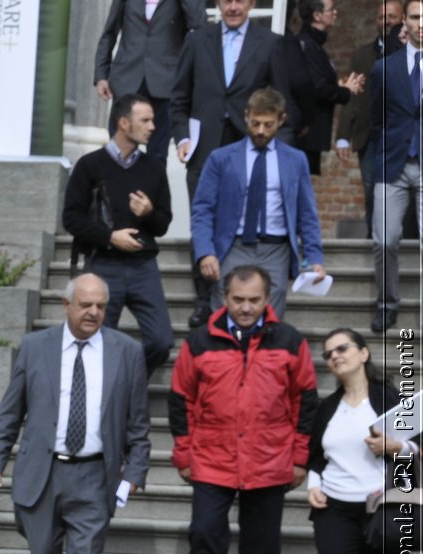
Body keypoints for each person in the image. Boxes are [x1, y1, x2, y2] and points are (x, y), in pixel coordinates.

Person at [0, 274, 151, 554]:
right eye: (85, 304)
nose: (93, 312)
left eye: (101, 306)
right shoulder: (36, 347)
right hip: (43, 469)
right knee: (42, 553)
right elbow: (11, 411)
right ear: (67, 304)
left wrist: (135, 471)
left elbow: (139, 424)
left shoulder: (126, 352)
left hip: (95, 474)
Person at [169, 265, 319, 554]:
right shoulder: (200, 341)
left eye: (254, 300)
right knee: (204, 535)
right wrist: (183, 452)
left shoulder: (288, 340)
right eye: (238, 299)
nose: (246, 307)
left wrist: (300, 457)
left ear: (267, 299)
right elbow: (180, 398)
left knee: (263, 544)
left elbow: (305, 399)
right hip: (211, 457)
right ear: (225, 297)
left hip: (269, 459)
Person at [307, 328, 417, 554]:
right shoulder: (326, 408)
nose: (335, 356)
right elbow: (316, 457)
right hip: (334, 510)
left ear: (364, 354)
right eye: (328, 353)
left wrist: (397, 446)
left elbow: (417, 453)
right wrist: (313, 484)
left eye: (343, 348)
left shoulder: (392, 402)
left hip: (381, 510)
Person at [171, 0, 295, 328]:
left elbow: (283, 101)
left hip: (251, 146)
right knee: (204, 221)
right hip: (204, 145)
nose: (233, 6)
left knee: (237, 224)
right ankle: (203, 299)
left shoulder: (270, 43)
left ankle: (251, 299)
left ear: (252, 3)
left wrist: (282, 154)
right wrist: (182, 138)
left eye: (240, 0)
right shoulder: (197, 40)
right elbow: (179, 98)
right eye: (227, 0)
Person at [62, 93, 176, 376]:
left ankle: (128, 383)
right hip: (103, 265)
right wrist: (110, 237)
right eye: (145, 120)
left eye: (153, 120)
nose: (153, 126)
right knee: (95, 341)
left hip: (143, 267)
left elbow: (163, 224)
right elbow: (71, 219)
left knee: (161, 341)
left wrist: (149, 212)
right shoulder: (90, 165)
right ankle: (106, 396)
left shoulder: (154, 168)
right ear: (124, 123)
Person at [190, 87, 326, 319]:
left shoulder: (295, 160)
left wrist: (314, 258)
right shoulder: (221, 158)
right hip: (233, 245)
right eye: (255, 123)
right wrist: (205, 252)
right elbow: (202, 209)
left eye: (268, 124)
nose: (260, 130)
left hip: (276, 248)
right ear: (246, 117)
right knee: (224, 311)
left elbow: (306, 213)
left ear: (281, 120)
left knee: (272, 316)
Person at [93, 0, 208, 161]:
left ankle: (149, 187)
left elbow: (199, 24)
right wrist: (101, 75)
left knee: (157, 155)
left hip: (165, 84)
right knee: (118, 150)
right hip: (127, 79)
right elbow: (110, 32)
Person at [368, 0, 422, 334]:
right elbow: (377, 120)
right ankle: (387, 304)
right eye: (416, 17)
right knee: (385, 239)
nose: (422, 24)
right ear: (405, 21)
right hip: (393, 165)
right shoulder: (383, 69)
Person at [335, 1, 406, 232]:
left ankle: (403, 242)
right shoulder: (362, 55)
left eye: (392, 17)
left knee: (404, 189)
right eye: (381, 17)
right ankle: (373, 239)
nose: (385, 21)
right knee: (370, 188)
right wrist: (343, 136)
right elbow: (352, 94)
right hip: (370, 134)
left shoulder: (412, 51)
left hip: (402, 134)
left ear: (403, 19)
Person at [285, 0, 366, 175]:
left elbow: (318, 82)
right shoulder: (307, 45)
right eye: (331, 10)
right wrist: (345, 91)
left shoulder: (315, 45)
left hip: (311, 133)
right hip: (304, 133)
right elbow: (317, 88)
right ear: (317, 15)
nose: (335, 13)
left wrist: (340, 86)